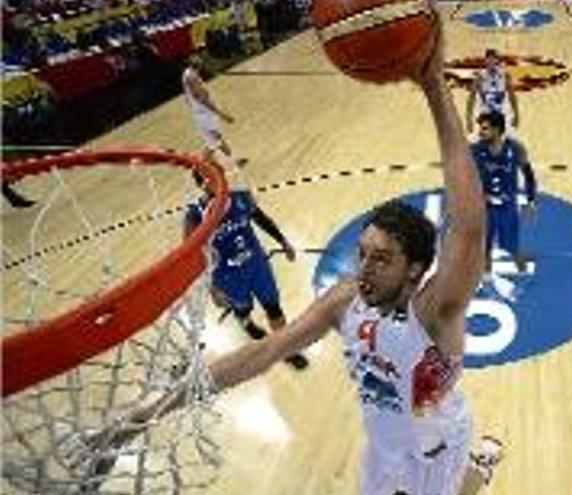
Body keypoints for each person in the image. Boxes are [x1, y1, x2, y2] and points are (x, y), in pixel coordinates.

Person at [86, 12, 503, 495]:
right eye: (362, 252)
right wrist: (144, 413)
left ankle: (479, 469)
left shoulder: (435, 311)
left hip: (437, 450)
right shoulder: (346, 300)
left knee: (460, 486)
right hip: (385, 453)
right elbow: (263, 352)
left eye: (381, 259)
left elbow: (469, 230)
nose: (363, 267)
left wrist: (433, 84)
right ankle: (480, 468)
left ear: (415, 270)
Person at [185, 171, 309, 369]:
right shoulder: (195, 215)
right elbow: (193, 255)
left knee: (273, 307)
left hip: (257, 265)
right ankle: (247, 323)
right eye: (212, 179)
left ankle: (286, 349)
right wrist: (212, 289)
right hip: (227, 276)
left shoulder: (240, 197)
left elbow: (261, 219)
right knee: (243, 309)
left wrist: (282, 240)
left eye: (220, 175)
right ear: (202, 184)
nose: (220, 181)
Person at [471, 111, 537, 274]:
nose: (480, 132)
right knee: (484, 249)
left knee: (513, 248)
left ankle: (522, 274)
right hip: (485, 207)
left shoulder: (516, 148)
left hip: (508, 208)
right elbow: (465, 177)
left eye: (485, 128)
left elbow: (529, 175)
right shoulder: (474, 150)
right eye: (481, 128)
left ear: (497, 130)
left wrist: (530, 202)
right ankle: (486, 280)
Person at [182, 54, 247, 169]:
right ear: (190, 60)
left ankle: (234, 160)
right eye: (195, 57)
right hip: (205, 115)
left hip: (202, 114)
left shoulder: (188, 73)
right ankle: (199, 167)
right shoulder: (191, 76)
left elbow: (190, 96)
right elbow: (202, 99)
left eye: (198, 57)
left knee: (215, 141)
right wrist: (222, 114)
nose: (198, 58)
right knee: (215, 142)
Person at [465, 48, 520, 135]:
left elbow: (512, 96)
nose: (491, 62)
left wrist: (516, 115)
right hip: (485, 116)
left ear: (497, 61)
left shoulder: (504, 76)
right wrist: (468, 119)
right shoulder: (479, 77)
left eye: (493, 59)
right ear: (485, 61)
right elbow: (471, 99)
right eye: (489, 59)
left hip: (501, 115)